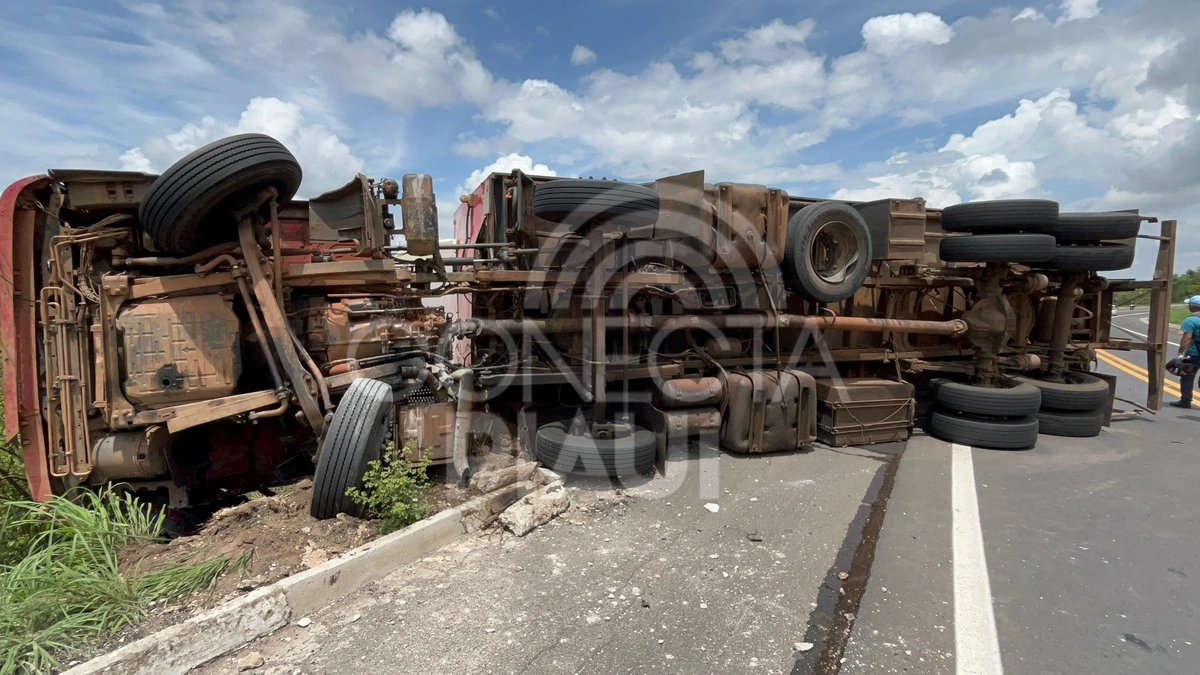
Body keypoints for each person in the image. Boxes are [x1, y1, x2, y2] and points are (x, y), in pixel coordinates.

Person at [1169, 295, 1200, 408]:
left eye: (1189, 304)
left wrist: (1181, 353)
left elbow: (1187, 338)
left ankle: (1185, 401)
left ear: (1193, 306)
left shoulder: (1191, 320)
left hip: (1194, 353)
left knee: (1187, 376)